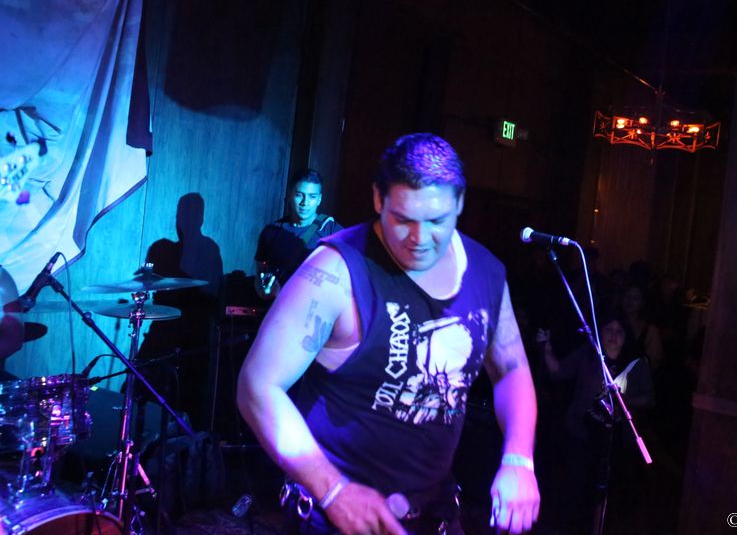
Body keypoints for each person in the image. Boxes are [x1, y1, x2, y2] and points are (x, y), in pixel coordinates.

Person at [237, 134, 540, 534]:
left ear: (459, 203)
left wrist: (519, 459)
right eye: (403, 219)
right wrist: (333, 490)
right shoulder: (335, 271)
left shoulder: (485, 272)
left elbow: (512, 371)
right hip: (333, 516)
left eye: (436, 221)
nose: (419, 238)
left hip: (433, 512)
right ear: (378, 199)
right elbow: (258, 386)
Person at [540, 312, 654, 533]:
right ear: (600, 333)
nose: (613, 335)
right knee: (577, 491)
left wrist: (624, 399)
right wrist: (546, 347)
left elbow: (649, 398)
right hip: (581, 435)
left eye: (619, 331)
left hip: (615, 442)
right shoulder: (588, 354)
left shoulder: (636, 363)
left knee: (608, 496)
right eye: (608, 330)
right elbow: (558, 371)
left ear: (626, 336)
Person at [255, 169, 343, 299]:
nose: (305, 203)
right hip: (279, 306)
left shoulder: (332, 231)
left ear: (319, 199)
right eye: (299, 195)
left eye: (312, 197)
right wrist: (264, 291)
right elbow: (259, 275)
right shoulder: (271, 231)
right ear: (290, 195)